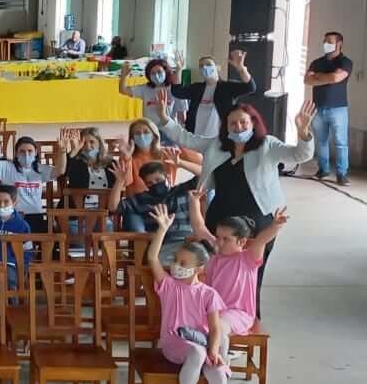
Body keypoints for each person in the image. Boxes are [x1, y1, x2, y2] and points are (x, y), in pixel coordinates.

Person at [156, 89, 315, 318]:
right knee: (215, 270)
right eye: (233, 123)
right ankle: (211, 317)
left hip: (257, 219)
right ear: (226, 126)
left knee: (251, 272)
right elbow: (185, 138)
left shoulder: (267, 145)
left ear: (253, 123)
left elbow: (300, 155)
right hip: (220, 219)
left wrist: (304, 132)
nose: (238, 127)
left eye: (243, 122)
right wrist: (164, 118)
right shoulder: (216, 145)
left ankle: (249, 316)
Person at [146, 204, 229, 384]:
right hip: (175, 343)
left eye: (184, 263)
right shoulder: (168, 286)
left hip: (202, 345)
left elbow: (215, 327)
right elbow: (152, 258)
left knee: (219, 375)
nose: (177, 266)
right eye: (176, 261)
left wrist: (214, 350)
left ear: (199, 269)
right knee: (196, 351)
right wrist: (162, 230)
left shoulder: (208, 294)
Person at [189, 195, 289, 340]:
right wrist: (194, 202)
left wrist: (275, 225)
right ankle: (212, 356)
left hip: (237, 313)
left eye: (226, 239)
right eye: (218, 237)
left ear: (241, 241)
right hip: (211, 309)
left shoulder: (248, 258)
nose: (219, 242)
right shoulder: (214, 253)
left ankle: (217, 359)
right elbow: (199, 227)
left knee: (218, 328)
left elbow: (262, 240)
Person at [0, 121, 64, 233]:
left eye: (30, 151)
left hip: (36, 215)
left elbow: (60, 170)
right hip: (15, 217)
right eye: (22, 151)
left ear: (36, 153)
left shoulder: (40, 169)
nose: (26, 154)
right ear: (16, 153)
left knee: (53, 238)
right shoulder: (7, 167)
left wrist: (62, 151)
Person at [108, 159, 195, 266]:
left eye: (158, 180)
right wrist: (119, 182)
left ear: (166, 176)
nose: (155, 184)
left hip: (186, 243)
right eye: (150, 183)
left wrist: (181, 163)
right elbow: (113, 207)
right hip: (162, 245)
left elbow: (206, 175)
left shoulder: (180, 191)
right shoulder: (141, 199)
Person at [304, 31, 353, 185]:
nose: (326, 44)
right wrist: (328, 78)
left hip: (338, 109)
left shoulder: (345, 62)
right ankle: (323, 170)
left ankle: (341, 173)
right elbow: (307, 80)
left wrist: (318, 77)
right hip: (318, 108)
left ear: (339, 44)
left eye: (329, 41)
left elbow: (336, 77)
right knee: (321, 141)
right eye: (324, 41)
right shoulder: (316, 62)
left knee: (340, 142)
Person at [171, 52, 256, 138]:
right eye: (201, 66)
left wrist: (241, 69)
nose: (204, 67)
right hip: (195, 138)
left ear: (218, 68)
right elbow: (177, 92)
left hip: (218, 140)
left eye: (208, 64)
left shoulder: (227, 87)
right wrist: (178, 69)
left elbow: (250, 87)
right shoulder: (197, 88)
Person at [120, 59, 188, 125]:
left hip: (168, 130)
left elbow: (182, 118)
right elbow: (123, 90)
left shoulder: (173, 89)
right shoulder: (145, 88)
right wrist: (123, 76)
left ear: (166, 72)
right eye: (153, 73)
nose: (156, 75)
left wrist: (179, 71)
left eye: (159, 72)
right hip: (150, 129)